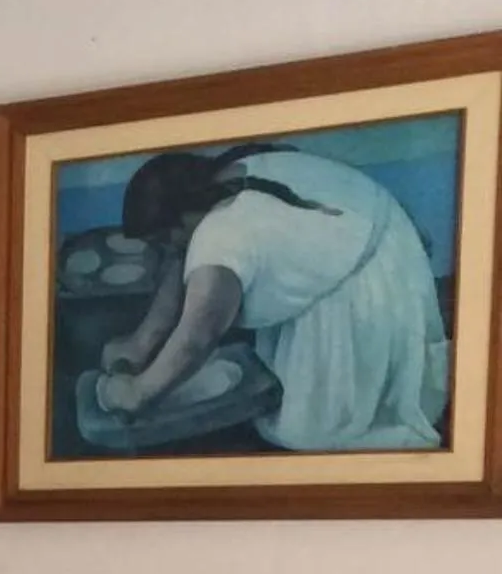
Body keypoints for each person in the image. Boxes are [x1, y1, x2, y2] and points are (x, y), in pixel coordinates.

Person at [95, 142, 450, 450]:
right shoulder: (222, 180)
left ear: (177, 219)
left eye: (159, 240)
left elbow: (197, 337)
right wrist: (141, 344)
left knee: (310, 429)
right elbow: (178, 262)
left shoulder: (221, 235)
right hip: (383, 241)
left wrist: (138, 393)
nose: (163, 250)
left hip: (369, 287)